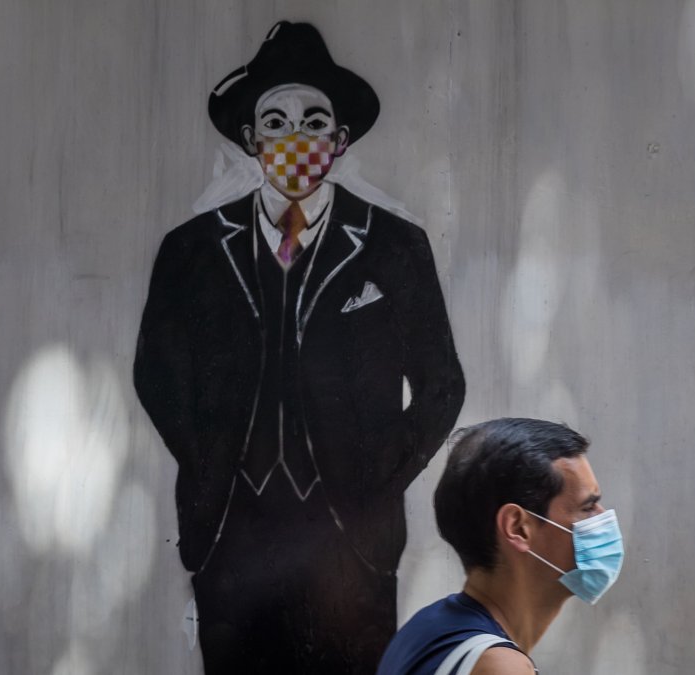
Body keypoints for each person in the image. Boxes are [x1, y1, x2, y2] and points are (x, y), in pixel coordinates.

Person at [133, 21, 465, 674]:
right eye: (276, 122)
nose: (294, 139)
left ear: (339, 141)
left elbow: (441, 385)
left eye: (314, 122)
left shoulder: (395, 247)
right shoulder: (192, 250)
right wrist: (208, 459)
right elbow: (156, 372)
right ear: (252, 139)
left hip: (352, 540)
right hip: (231, 535)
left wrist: (378, 475)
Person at [377, 418, 625, 675]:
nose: (603, 517)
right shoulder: (498, 666)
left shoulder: (425, 628)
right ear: (518, 528)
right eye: (587, 507)